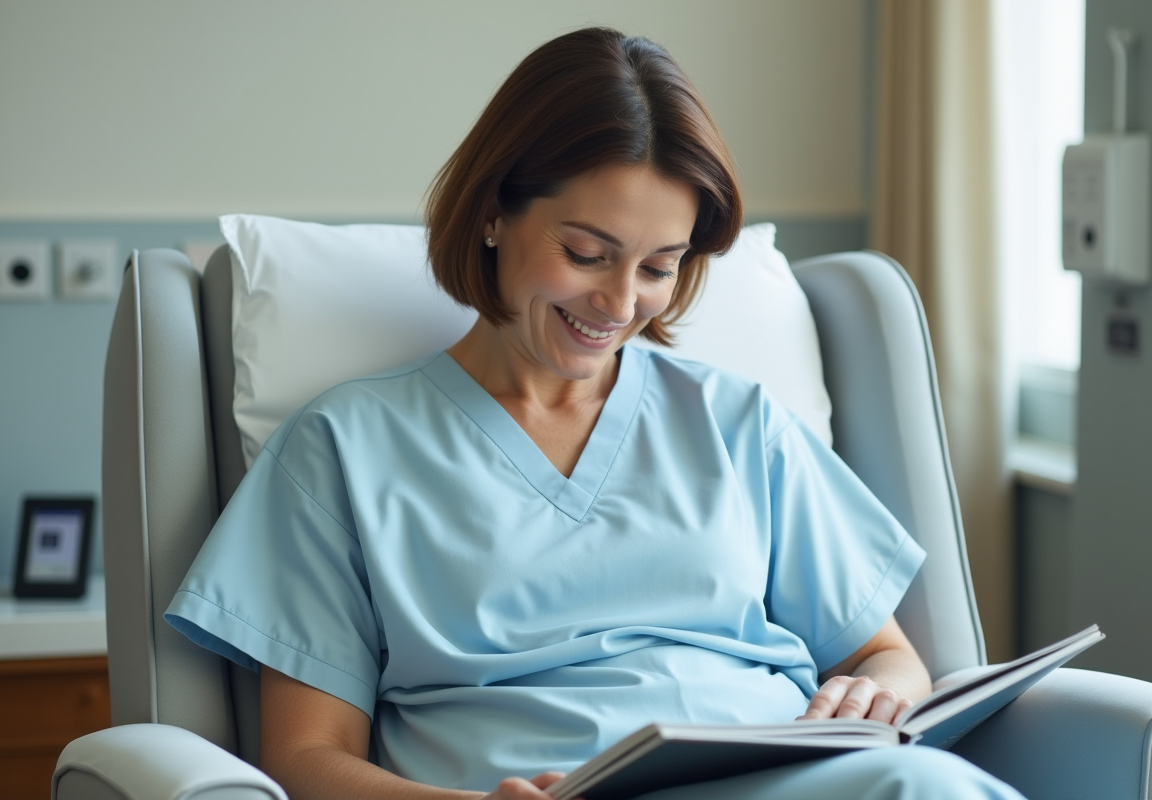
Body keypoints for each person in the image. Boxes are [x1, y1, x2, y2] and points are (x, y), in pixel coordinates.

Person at [165, 27, 1024, 800]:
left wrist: (880, 693)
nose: (619, 302)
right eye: (587, 254)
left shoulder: (736, 422)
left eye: (659, 267)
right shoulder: (344, 449)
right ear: (494, 212)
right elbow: (306, 759)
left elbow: (885, 654)